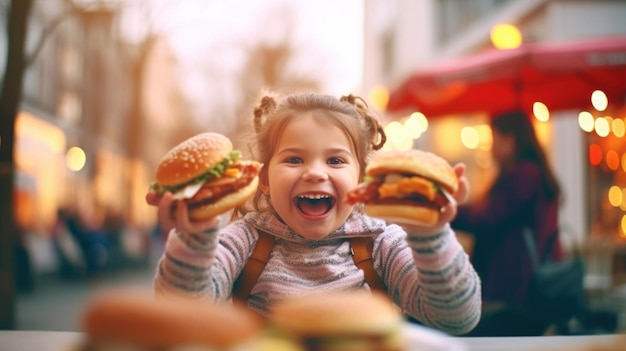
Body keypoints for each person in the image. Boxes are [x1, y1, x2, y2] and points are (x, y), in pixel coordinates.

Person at [146, 91, 482, 335]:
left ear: (362, 180)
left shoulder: (381, 243)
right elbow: (182, 311)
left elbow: (457, 317)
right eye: (294, 159)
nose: (315, 173)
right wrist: (195, 237)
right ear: (262, 179)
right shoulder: (243, 240)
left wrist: (430, 235)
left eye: (335, 160)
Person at [451, 109, 563, 336]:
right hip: (522, 283)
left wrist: (448, 211)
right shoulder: (528, 174)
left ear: (511, 138)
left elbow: (489, 217)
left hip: (516, 286)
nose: (492, 147)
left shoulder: (525, 175)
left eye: (495, 138)